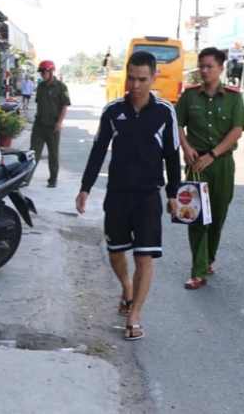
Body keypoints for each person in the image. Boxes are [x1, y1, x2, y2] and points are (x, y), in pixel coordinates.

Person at [76, 51, 181, 342]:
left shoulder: (164, 112)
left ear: (153, 77)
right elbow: (98, 150)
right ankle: (126, 286)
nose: (135, 86)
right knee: (116, 250)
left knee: (144, 257)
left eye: (142, 80)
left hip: (148, 195)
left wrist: (174, 193)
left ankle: (134, 315)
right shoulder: (112, 111)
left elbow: (173, 155)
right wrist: (85, 187)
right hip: (118, 194)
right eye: (131, 79)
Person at [176, 47, 244, 290]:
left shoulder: (232, 97)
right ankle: (198, 271)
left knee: (217, 216)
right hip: (196, 164)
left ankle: (208, 259)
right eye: (201, 66)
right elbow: (177, 124)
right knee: (196, 216)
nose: (205, 70)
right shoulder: (189, 96)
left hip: (222, 163)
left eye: (210, 66)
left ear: (220, 68)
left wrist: (213, 154)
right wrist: (185, 148)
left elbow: (237, 129)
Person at [31, 60, 71, 188]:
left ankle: (53, 179)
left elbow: (65, 105)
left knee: (53, 154)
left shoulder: (61, 87)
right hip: (39, 125)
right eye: (41, 72)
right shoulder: (41, 87)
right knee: (33, 153)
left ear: (50, 71)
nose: (42, 75)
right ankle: (26, 178)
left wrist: (59, 122)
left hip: (53, 126)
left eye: (44, 72)